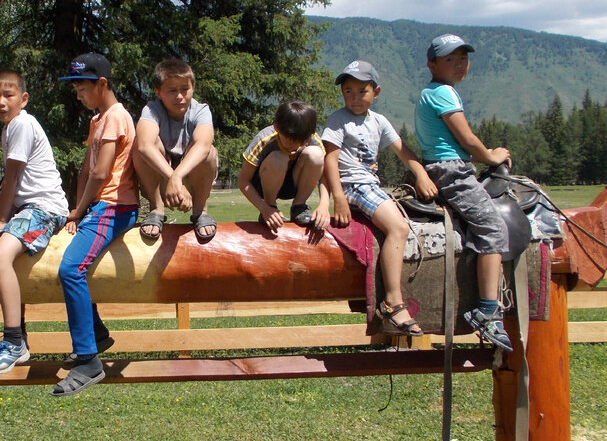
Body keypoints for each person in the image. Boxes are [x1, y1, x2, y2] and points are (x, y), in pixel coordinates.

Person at [321, 60, 438, 336]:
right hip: (353, 185)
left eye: (362, 91)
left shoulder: (379, 121)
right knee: (398, 227)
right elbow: (330, 158)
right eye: (348, 91)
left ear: (377, 92)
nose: (354, 97)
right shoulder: (338, 120)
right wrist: (338, 196)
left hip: (371, 185)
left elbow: (403, 150)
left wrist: (420, 174)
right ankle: (394, 301)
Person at [414, 34, 513, 350]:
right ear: (432, 65)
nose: (459, 65)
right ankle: (488, 310)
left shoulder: (434, 92)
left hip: (444, 165)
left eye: (463, 58)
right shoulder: (443, 93)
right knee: (493, 228)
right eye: (450, 60)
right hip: (451, 169)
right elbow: (467, 139)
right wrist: (491, 155)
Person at [53, 52, 140, 396]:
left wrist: (80, 210)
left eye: (82, 86)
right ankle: (97, 333)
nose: (77, 93)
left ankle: (88, 361)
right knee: (74, 265)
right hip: (99, 207)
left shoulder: (116, 117)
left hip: (114, 206)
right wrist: (78, 209)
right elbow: (88, 171)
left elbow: (102, 173)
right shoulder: (99, 119)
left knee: (70, 269)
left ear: (102, 84)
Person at [0, 69, 70, 373]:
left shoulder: (20, 124)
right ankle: (20, 338)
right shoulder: (12, 127)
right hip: (30, 207)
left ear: (24, 98)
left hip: (42, 208)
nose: (1, 102)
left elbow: (12, 176)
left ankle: (14, 340)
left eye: (9, 95)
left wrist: (1, 219)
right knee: (8, 258)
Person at [132, 57, 218, 242]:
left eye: (185, 89)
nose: (179, 96)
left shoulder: (201, 110)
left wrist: (177, 177)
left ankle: (200, 211)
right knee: (141, 144)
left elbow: (203, 145)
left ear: (193, 88)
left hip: (193, 181)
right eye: (171, 90)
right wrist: (173, 177)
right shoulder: (151, 110)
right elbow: (145, 146)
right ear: (158, 92)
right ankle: (156, 208)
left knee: (209, 152)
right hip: (162, 180)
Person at [237, 100, 329, 232]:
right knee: (278, 157)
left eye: (300, 141)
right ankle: (271, 207)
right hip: (264, 184)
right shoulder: (264, 139)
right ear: (276, 128)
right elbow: (243, 181)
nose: (293, 145)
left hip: (294, 183)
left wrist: (324, 205)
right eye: (288, 139)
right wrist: (265, 208)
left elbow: (324, 176)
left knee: (316, 154)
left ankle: (299, 207)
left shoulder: (312, 139)